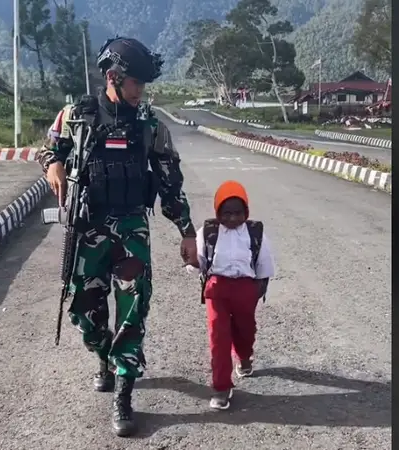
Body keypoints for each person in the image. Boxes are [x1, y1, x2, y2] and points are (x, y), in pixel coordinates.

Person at [35, 36, 198, 437]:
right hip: (88, 226)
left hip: (131, 231)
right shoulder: (76, 115)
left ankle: (124, 389)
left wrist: (187, 231)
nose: (141, 90)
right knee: (85, 311)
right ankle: (103, 356)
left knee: (132, 309)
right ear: (113, 76)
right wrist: (52, 165)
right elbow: (47, 149)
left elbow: (169, 183)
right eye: (135, 82)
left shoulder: (150, 126)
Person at [193, 180, 275, 410]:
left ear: (246, 212)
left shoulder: (254, 232)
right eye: (226, 213)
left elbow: (264, 263)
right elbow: (198, 261)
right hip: (216, 289)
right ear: (217, 211)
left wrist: (257, 290)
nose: (231, 219)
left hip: (245, 289)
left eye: (238, 213)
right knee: (218, 336)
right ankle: (221, 387)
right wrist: (190, 260)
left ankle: (245, 356)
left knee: (245, 329)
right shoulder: (208, 231)